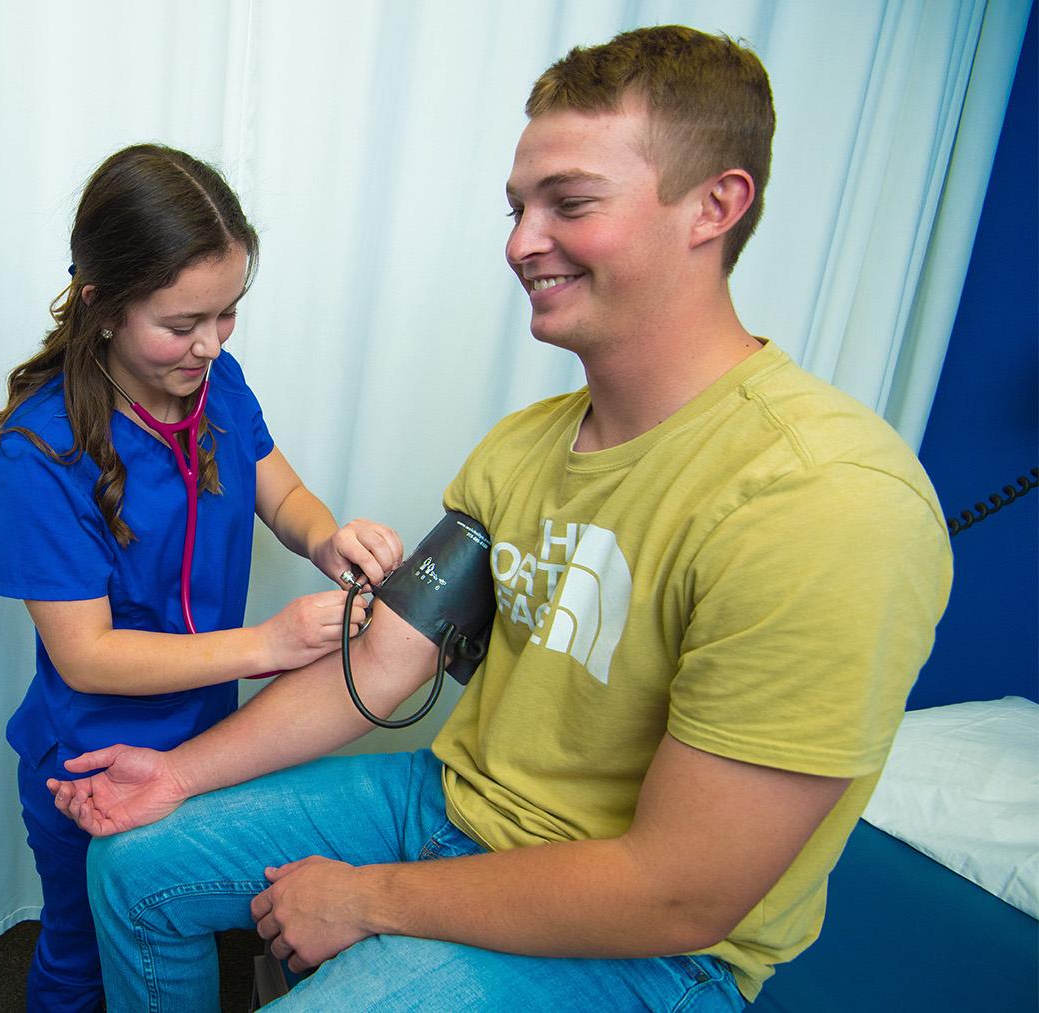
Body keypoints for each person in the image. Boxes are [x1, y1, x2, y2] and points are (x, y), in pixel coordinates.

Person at [49, 27, 952, 1011]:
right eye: (519, 207)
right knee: (135, 860)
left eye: (569, 203)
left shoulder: (825, 502)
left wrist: (364, 899)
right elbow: (384, 663)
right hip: (448, 802)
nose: (522, 240)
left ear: (716, 207)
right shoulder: (520, 449)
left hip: (650, 941)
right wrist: (174, 774)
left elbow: (681, 892)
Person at [0, 143, 399, 1011]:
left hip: (205, 740)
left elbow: (280, 488)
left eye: (228, 313)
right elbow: (85, 656)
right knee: (83, 952)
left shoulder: (215, 383)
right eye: (182, 322)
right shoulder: (34, 455)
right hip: (89, 758)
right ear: (103, 304)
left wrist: (327, 538)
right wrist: (269, 644)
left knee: (173, 929)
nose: (209, 342)